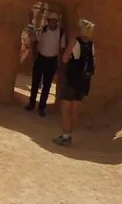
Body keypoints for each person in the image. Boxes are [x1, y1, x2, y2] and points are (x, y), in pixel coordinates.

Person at [54, 19, 96, 147]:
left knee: (65, 109)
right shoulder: (91, 44)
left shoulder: (74, 41)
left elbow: (65, 58)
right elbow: (94, 63)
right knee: (74, 110)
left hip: (71, 80)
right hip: (83, 82)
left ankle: (66, 136)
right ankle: (69, 134)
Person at [25, 12, 65, 116]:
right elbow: (36, 42)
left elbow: (61, 48)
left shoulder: (61, 32)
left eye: (53, 20)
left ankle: (42, 107)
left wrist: (60, 61)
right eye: (50, 20)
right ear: (47, 20)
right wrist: (34, 55)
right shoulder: (43, 29)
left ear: (57, 21)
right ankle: (31, 103)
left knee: (47, 85)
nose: (51, 22)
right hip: (41, 58)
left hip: (52, 60)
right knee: (35, 82)